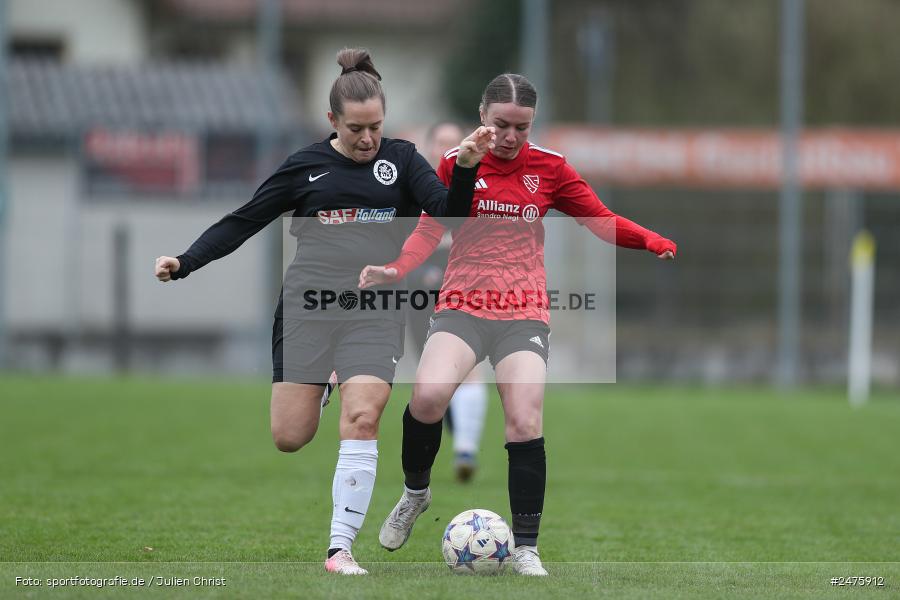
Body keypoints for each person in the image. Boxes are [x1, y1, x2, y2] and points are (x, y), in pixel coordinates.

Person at [154, 48, 495, 576]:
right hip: (308, 308)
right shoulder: (304, 167)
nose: (367, 139)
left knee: (364, 416)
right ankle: (325, 384)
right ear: (332, 120)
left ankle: (339, 549)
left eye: (376, 127)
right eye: (357, 128)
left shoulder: (403, 160)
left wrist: (466, 169)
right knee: (290, 437)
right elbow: (243, 220)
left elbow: (451, 214)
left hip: (375, 307)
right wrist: (186, 261)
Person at [359, 73, 676, 576]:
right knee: (426, 398)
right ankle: (415, 494)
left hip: (523, 310)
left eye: (521, 128)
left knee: (525, 420)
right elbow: (430, 229)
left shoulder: (550, 168)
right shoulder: (456, 162)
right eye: (502, 125)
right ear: (483, 115)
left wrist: (651, 239)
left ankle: (526, 546)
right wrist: (397, 268)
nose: (510, 137)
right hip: (463, 303)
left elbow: (599, 217)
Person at [406, 121, 489, 483]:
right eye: (439, 143)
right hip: (417, 277)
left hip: (463, 274)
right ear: (426, 147)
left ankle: (465, 449)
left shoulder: (477, 183)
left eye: (454, 143)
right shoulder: (412, 186)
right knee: (430, 369)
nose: (447, 149)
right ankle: (457, 429)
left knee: (467, 361)